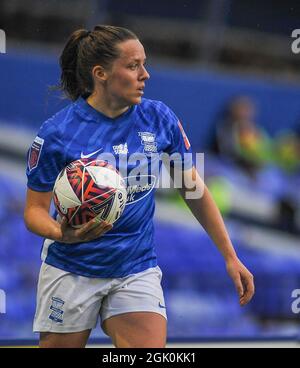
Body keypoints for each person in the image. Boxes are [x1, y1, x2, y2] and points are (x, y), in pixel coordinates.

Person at [24, 25, 254, 348]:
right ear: (101, 73)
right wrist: (63, 234)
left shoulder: (159, 118)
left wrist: (231, 256)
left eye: (144, 64)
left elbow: (193, 190)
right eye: (133, 66)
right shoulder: (57, 133)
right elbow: (33, 212)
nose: (145, 74)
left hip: (136, 268)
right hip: (72, 268)